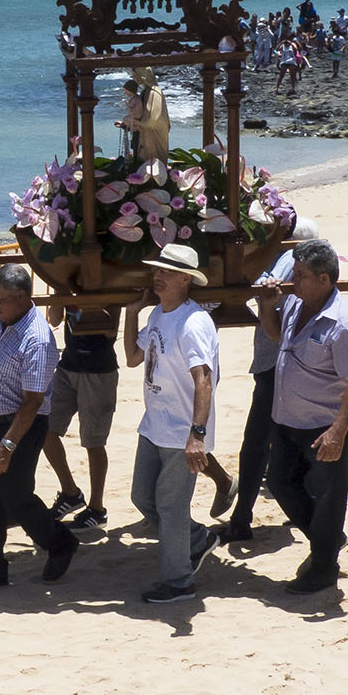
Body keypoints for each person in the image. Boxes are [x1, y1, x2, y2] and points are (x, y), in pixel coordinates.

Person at [0, 259, 79, 591]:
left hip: (21, 428)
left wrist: (7, 446)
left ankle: (60, 542)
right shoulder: (0, 321)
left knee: (17, 499)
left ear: (21, 296)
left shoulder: (36, 338)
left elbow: (33, 402)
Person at [255, 240, 348, 595]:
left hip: (324, 427)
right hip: (288, 420)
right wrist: (267, 306)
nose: (293, 282)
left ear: (323, 279)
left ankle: (323, 568)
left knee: (328, 498)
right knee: (280, 483)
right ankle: (327, 541)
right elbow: (275, 336)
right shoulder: (294, 305)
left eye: (300, 276)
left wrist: (338, 431)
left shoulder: (344, 322)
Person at [121, 244, 221, 604]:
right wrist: (132, 314)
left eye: (166, 271)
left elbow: (204, 380)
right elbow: (133, 357)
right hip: (154, 426)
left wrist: (197, 434)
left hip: (181, 431)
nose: (157, 275)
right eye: (156, 270)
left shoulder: (193, 323)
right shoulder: (159, 316)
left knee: (171, 506)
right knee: (142, 497)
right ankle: (196, 539)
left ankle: (180, 582)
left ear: (186, 279)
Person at [221, 217, 319, 542]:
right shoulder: (307, 262)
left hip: (275, 364)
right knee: (290, 441)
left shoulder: (290, 259)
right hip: (286, 363)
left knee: (256, 444)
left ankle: (241, 518)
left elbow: (262, 283)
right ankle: (305, 509)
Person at [40, 303, 118, 538]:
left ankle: (97, 508)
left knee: (94, 442)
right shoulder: (67, 284)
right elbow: (53, 319)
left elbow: (110, 330)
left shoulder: (105, 287)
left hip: (99, 370)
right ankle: (70, 493)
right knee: (45, 427)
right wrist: (60, 293)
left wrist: (84, 302)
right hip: (68, 365)